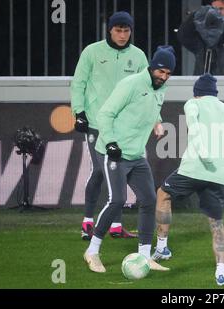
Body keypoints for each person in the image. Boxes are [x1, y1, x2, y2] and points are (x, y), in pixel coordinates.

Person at [152, 74, 224, 285]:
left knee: (163, 194)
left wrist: (203, 151)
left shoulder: (193, 104)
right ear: (215, 94)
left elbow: (194, 129)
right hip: (216, 177)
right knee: (216, 224)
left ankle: (162, 247)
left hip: (192, 170)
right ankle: (221, 272)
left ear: (197, 93)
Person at [82, 46, 176, 273]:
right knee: (117, 200)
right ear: (152, 67)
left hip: (135, 154)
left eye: (168, 74)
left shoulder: (160, 88)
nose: (163, 77)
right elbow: (105, 113)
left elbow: (153, 106)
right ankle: (92, 251)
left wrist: (157, 121)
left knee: (149, 200)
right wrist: (111, 142)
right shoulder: (131, 84)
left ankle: (144, 256)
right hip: (113, 152)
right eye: (160, 71)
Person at [71, 11, 157, 240]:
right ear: (109, 30)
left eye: (126, 30)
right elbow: (78, 82)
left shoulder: (138, 56)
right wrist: (78, 112)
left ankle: (116, 226)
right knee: (100, 170)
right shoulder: (92, 52)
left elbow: (148, 90)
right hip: (98, 122)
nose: (122, 35)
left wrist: (154, 119)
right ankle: (88, 221)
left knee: (116, 172)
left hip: (124, 127)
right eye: (118, 30)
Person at [177, 0, 224, 75]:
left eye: (221, 9)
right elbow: (183, 37)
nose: (217, 13)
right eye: (214, 10)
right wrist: (194, 16)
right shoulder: (203, 33)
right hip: (206, 85)